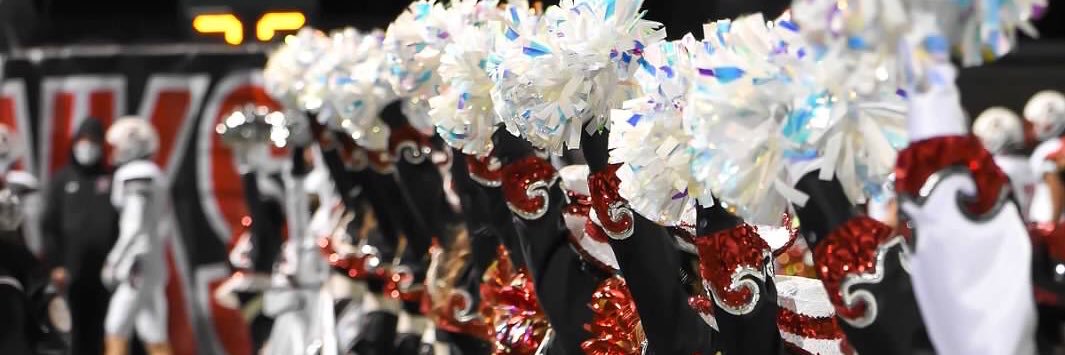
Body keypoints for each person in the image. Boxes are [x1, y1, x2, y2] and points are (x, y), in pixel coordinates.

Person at [42, 117, 119, 355]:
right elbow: (49, 226)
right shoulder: (62, 179)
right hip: (71, 272)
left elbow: (121, 225)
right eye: (83, 141)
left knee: (107, 329)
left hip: (106, 272)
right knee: (72, 331)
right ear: (75, 143)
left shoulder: (111, 179)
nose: (87, 147)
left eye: (93, 141)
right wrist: (56, 264)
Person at [101, 117, 171, 355]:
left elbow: (134, 226)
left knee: (115, 326)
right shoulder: (153, 172)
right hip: (153, 257)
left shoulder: (134, 173)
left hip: (137, 261)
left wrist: (114, 260)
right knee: (153, 330)